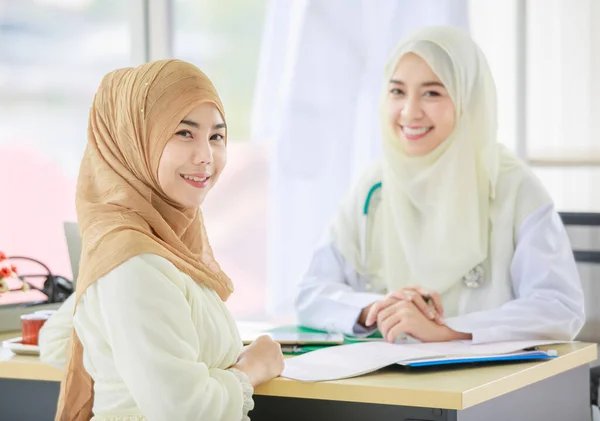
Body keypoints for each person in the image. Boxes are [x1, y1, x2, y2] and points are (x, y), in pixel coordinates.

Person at [295, 26, 585, 344]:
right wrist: (376, 309)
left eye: (432, 92)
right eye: (397, 91)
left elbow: (560, 308)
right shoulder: (373, 187)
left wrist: (447, 331)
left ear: (468, 99)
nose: (410, 111)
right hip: (390, 382)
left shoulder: (514, 187)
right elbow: (311, 294)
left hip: (491, 386)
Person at [53, 59, 284, 421]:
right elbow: (185, 411)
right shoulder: (133, 262)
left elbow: (57, 342)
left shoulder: (154, 247)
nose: (205, 156)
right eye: (184, 133)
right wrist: (250, 369)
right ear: (134, 140)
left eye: (216, 136)